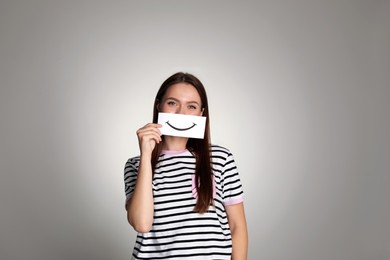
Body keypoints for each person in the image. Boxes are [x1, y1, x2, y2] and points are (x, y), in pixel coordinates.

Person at [124, 72, 248, 259]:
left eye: (191, 106)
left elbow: (237, 227)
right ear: (159, 106)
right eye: (172, 103)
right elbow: (141, 224)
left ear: (201, 113)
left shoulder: (221, 158)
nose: (181, 113)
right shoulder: (136, 165)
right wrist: (146, 156)